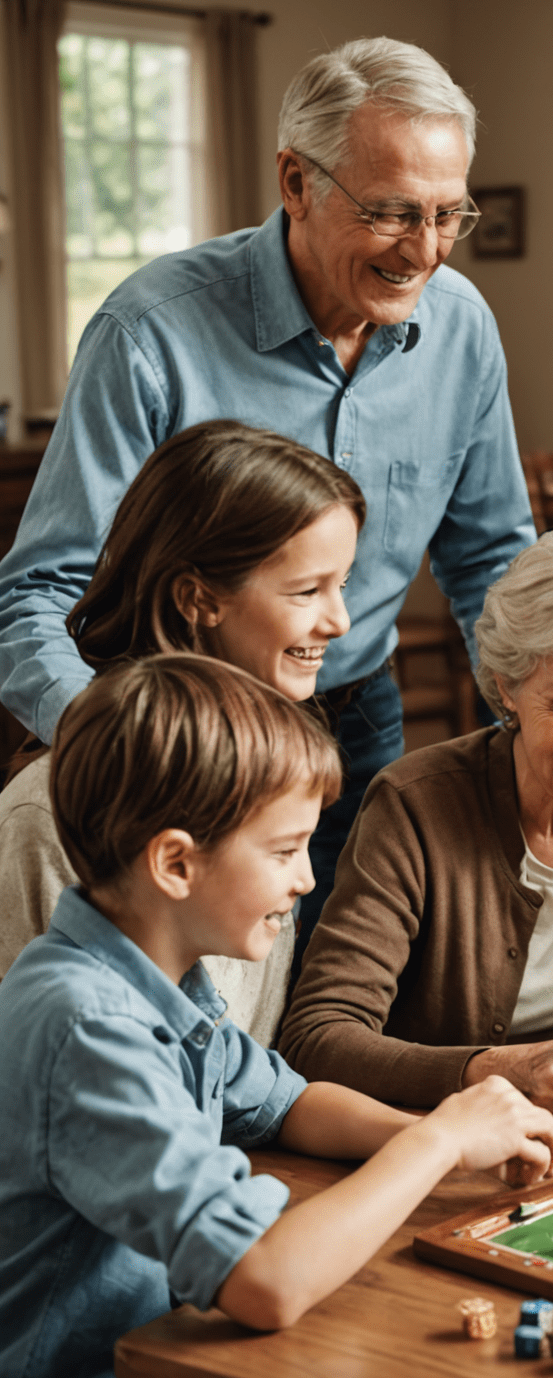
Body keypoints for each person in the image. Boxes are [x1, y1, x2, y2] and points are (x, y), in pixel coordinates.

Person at [0, 37, 535, 953]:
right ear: (296, 182)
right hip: (176, 726)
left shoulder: (462, 327)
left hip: (353, 717)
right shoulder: (150, 333)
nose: (427, 251)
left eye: (451, 215)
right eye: (394, 213)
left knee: (330, 1004)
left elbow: (492, 559)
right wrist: (120, 743)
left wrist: (532, 731)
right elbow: (37, 592)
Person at [0, 655, 553, 1378]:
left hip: (172, 1375)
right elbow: (264, 1282)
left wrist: (446, 1130)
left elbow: (288, 1103)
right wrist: (434, 1144)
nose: (306, 878)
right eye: (286, 849)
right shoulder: (87, 1023)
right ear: (176, 863)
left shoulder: (161, 977)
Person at [280, 524, 553, 1116]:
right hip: (442, 1148)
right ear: (507, 686)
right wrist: (497, 1070)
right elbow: (316, 1039)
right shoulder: (413, 806)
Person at [0, 421, 363, 1043]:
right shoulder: (47, 817)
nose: (342, 621)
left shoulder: (276, 778)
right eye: (308, 591)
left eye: (343, 585)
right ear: (198, 599)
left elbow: (247, 1077)